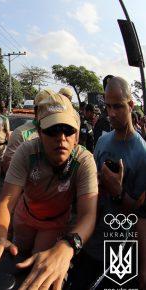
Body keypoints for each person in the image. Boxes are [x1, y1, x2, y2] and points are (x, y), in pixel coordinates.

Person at [0, 90, 99, 290]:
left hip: (54, 223)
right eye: (53, 129)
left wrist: (67, 246)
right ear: (39, 132)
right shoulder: (27, 151)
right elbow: (6, 201)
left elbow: (88, 214)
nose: (61, 138)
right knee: (14, 260)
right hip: (25, 216)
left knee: (41, 274)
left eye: (68, 130)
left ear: (77, 135)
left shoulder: (84, 160)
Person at [69, 76, 146, 289]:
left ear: (130, 105)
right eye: (108, 106)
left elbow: (140, 217)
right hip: (89, 238)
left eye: (118, 107)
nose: (111, 113)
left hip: (119, 247)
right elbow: (89, 187)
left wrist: (118, 192)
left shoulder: (142, 154)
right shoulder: (103, 140)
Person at [2, 90, 51, 172]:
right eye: (46, 108)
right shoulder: (20, 133)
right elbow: (8, 166)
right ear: (37, 110)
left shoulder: (60, 132)